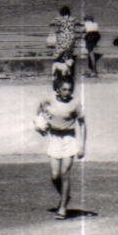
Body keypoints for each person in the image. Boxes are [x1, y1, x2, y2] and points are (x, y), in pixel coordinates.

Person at [34, 75, 86, 218]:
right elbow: (39, 109)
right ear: (58, 89)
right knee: (54, 175)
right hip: (54, 138)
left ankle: (62, 207)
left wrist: (82, 146)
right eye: (64, 89)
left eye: (69, 90)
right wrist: (39, 124)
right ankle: (65, 196)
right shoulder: (49, 99)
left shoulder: (75, 104)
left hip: (69, 138)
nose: (67, 92)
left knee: (65, 173)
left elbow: (82, 123)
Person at [48, 5, 80, 78]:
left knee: (58, 54)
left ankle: (58, 72)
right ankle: (68, 72)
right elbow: (81, 23)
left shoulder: (59, 19)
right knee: (68, 54)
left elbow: (50, 23)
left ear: (61, 13)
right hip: (71, 40)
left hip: (62, 39)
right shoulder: (73, 19)